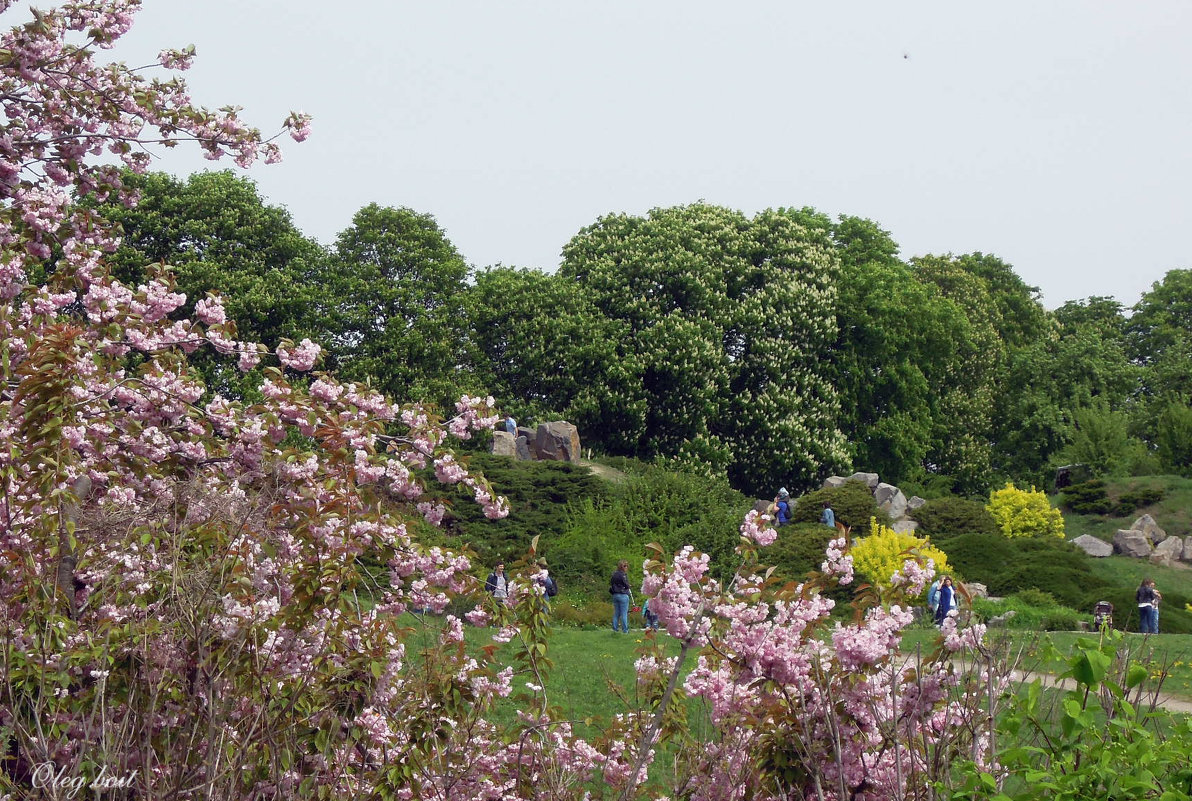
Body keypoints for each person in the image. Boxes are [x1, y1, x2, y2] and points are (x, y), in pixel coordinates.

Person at [610, 559, 632, 633]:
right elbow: (626, 584)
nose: (627, 568)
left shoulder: (614, 574)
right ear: (624, 567)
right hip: (623, 595)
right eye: (626, 566)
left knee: (616, 613)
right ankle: (625, 630)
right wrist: (629, 585)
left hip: (615, 595)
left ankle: (615, 629)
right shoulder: (623, 575)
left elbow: (611, 584)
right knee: (624, 613)